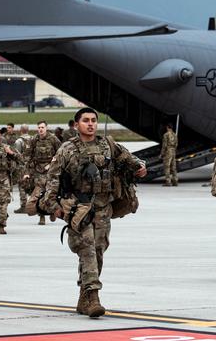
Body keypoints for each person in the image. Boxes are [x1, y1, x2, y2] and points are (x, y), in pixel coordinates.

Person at [43, 107, 147, 318]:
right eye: (85, 120)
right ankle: (93, 297)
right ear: (76, 124)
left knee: (98, 250)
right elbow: (52, 180)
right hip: (78, 208)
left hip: (103, 207)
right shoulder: (67, 149)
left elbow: (128, 158)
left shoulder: (107, 145)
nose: (90, 124)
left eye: (93, 120)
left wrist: (139, 166)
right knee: (87, 248)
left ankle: (84, 297)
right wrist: (55, 207)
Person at [23, 120, 61, 225]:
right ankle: (42, 216)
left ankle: (52, 210)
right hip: (38, 171)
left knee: (51, 192)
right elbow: (28, 156)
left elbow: (60, 153)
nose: (40, 129)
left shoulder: (53, 139)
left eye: (42, 127)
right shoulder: (34, 139)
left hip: (51, 170)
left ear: (46, 128)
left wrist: (53, 163)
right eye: (39, 127)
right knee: (40, 193)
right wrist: (27, 172)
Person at [160, 122, 178, 186]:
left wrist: (162, 154)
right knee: (173, 167)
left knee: (167, 167)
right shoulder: (174, 134)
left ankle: (168, 182)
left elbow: (164, 145)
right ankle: (175, 181)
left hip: (168, 151)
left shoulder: (166, 135)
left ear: (167, 127)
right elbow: (176, 144)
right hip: (173, 151)